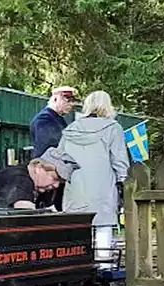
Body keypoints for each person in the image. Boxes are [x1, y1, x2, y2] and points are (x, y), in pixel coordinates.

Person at [58, 90, 130, 268]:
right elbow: (119, 161)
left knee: (78, 224)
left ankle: (78, 264)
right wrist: (124, 182)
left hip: (75, 185)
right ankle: (103, 265)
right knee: (103, 224)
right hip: (103, 185)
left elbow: (60, 158)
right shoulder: (113, 128)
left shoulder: (70, 130)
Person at [0, 147, 80, 209]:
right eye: (55, 178)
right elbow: (24, 212)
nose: (56, 185)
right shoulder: (19, 178)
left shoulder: (43, 188)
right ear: (38, 167)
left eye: (60, 182)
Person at [30, 86, 78, 211]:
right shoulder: (44, 120)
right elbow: (49, 151)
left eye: (73, 101)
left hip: (54, 175)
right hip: (48, 175)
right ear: (56, 98)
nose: (71, 104)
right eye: (67, 100)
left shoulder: (57, 119)